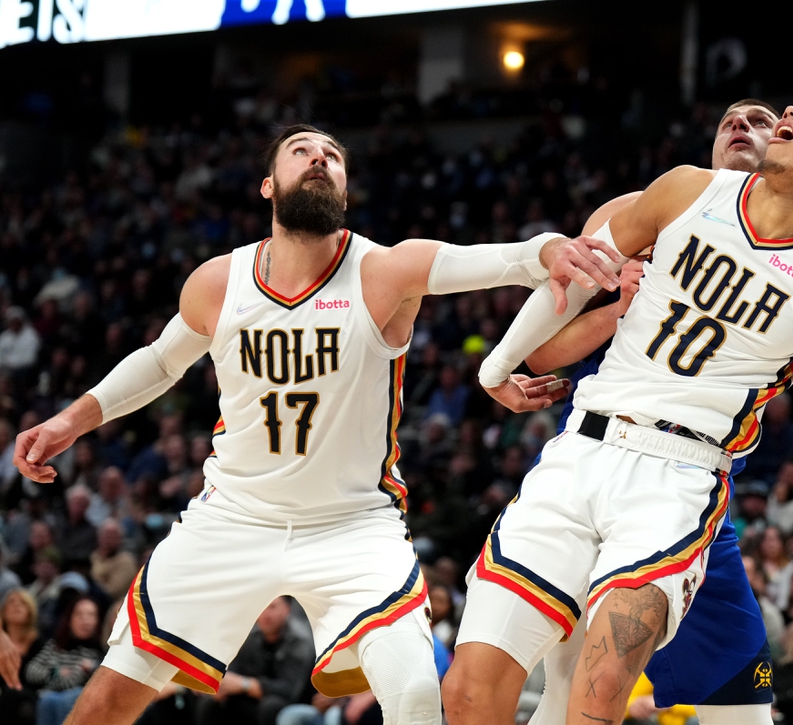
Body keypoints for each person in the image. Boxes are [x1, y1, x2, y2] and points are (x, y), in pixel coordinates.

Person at [5, 123, 618, 725]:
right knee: (111, 697)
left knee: (411, 695)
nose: (320, 159)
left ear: (345, 192)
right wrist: (69, 421)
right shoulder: (219, 282)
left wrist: (547, 250)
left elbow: (501, 259)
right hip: (233, 516)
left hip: (352, 525)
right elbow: (162, 360)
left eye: (333, 155)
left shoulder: (383, 272)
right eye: (302, 151)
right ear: (268, 185)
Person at [444, 62, 793, 725]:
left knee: (620, 692)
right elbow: (556, 317)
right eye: (752, 114)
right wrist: (502, 360)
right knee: (472, 692)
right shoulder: (678, 195)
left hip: (684, 481)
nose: (780, 115)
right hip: (584, 446)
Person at [194, 597, 314, 725]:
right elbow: (233, 673)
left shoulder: (300, 641)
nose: (266, 614)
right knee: (211, 701)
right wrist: (221, 686)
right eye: (262, 607)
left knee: (270, 706)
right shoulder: (250, 636)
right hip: (254, 699)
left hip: (290, 702)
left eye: (272, 607)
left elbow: (289, 691)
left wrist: (246, 684)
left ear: (286, 610)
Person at [25, 596, 104, 725]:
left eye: (90, 615)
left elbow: (70, 682)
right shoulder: (54, 645)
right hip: (47, 698)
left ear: (98, 620)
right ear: (69, 619)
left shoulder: (96, 653)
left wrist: (48, 682)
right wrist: (55, 672)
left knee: (61, 698)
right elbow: (30, 671)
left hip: (73, 701)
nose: (85, 620)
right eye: (79, 614)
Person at [0, 589, 43, 725]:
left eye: (22, 603)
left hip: (29, 696)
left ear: (30, 611)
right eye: (11, 602)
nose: (16, 606)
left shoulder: (41, 643)